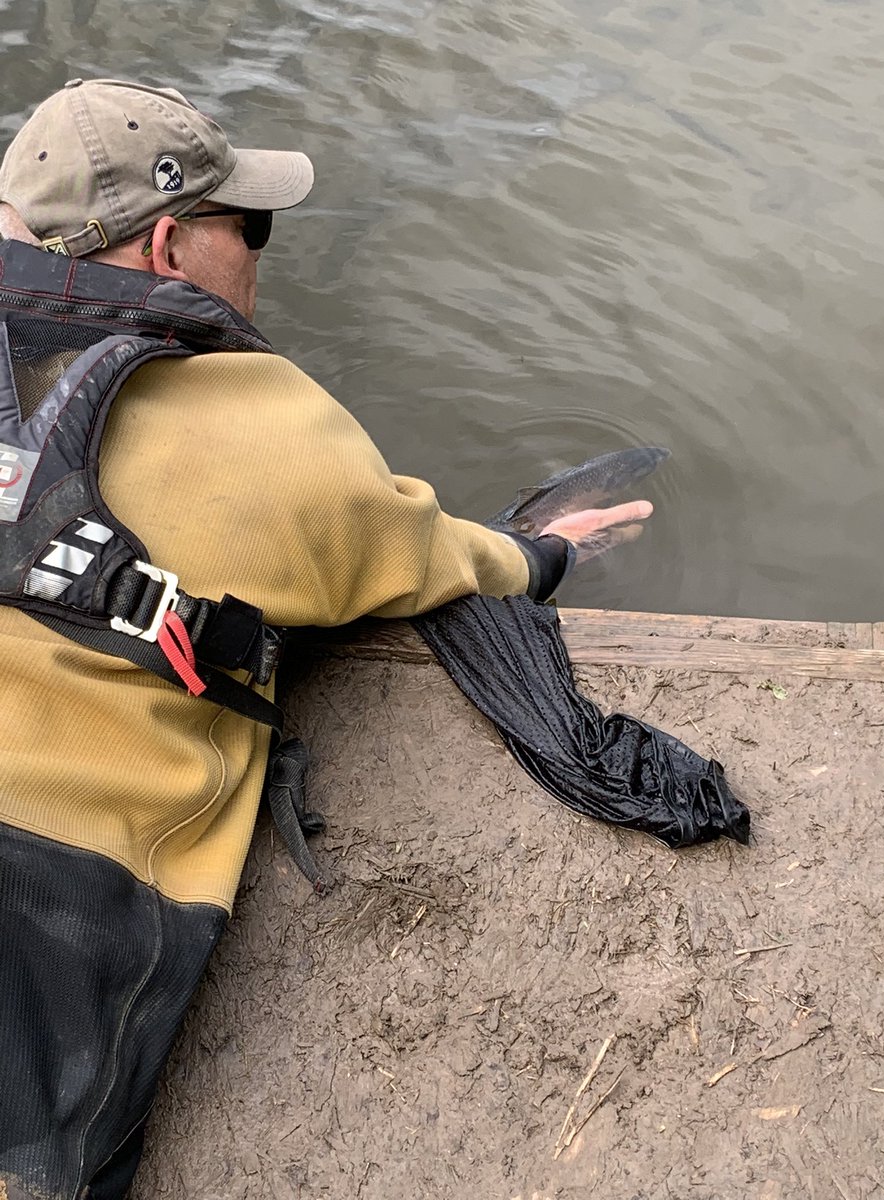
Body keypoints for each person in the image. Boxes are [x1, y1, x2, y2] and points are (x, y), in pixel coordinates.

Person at [0, 78, 652, 1200]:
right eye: (245, 225)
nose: (259, 253)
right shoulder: (256, 422)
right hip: (55, 889)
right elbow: (418, 555)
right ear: (168, 247)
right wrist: (546, 553)